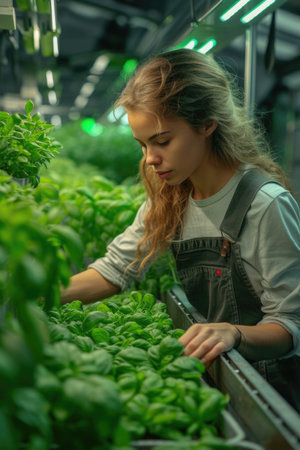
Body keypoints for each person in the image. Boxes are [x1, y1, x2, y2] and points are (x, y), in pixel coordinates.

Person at [61, 48, 300, 411]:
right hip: (217, 377)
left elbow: (291, 323)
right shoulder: (171, 199)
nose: (149, 159)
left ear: (206, 124)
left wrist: (233, 333)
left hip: (270, 394)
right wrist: (28, 293)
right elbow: (113, 271)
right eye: (142, 145)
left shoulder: (265, 205)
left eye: (162, 141)